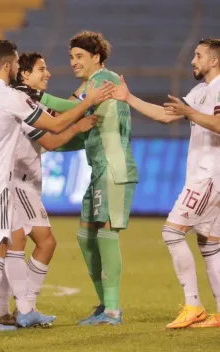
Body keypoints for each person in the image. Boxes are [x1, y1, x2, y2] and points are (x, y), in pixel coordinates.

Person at [0, 39, 112, 331]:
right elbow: (53, 131)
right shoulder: (12, 97)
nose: (18, 68)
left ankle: (19, 310)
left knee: (10, 243)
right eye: (17, 64)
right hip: (5, 182)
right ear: (8, 66)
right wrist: (88, 103)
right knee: (0, 248)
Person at [111, 38, 220, 329]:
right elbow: (164, 115)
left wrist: (191, 114)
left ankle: (193, 305)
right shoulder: (200, 91)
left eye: (198, 56)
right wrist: (128, 98)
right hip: (206, 175)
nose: (193, 61)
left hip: (210, 174)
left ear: (214, 61)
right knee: (209, 243)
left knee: (172, 232)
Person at [33, 31, 138, 325]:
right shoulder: (89, 89)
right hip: (99, 171)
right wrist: (51, 143)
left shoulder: (107, 81)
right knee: (85, 237)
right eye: (71, 57)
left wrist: (36, 94)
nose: (73, 62)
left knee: (105, 233)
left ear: (97, 57)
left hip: (115, 167)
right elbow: (81, 128)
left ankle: (113, 311)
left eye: (80, 56)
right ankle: (105, 304)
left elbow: (67, 107)